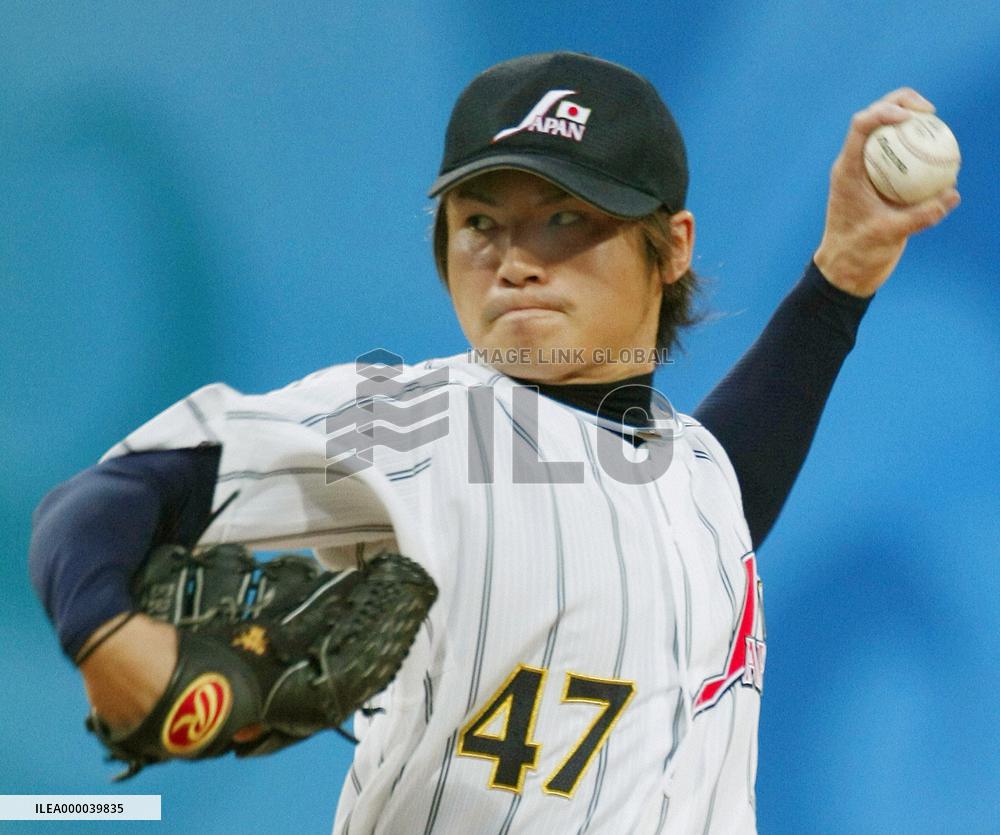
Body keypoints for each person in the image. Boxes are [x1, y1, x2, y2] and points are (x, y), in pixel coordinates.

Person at [29, 51, 958, 833]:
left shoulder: (693, 472)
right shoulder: (413, 420)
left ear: (672, 247)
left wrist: (843, 274)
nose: (517, 257)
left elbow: (720, 487)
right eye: (482, 222)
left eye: (567, 216)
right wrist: (104, 629)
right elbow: (103, 500)